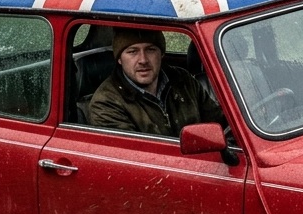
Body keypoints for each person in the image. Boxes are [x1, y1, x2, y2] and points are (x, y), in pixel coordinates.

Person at [88, 28, 226, 137]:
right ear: (119, 59)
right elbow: (133, 158)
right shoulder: (106, 103)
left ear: (162, 54)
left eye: (150, 50)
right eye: (132, 52)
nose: (143, 60)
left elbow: (220, 123)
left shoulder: (183, 80)